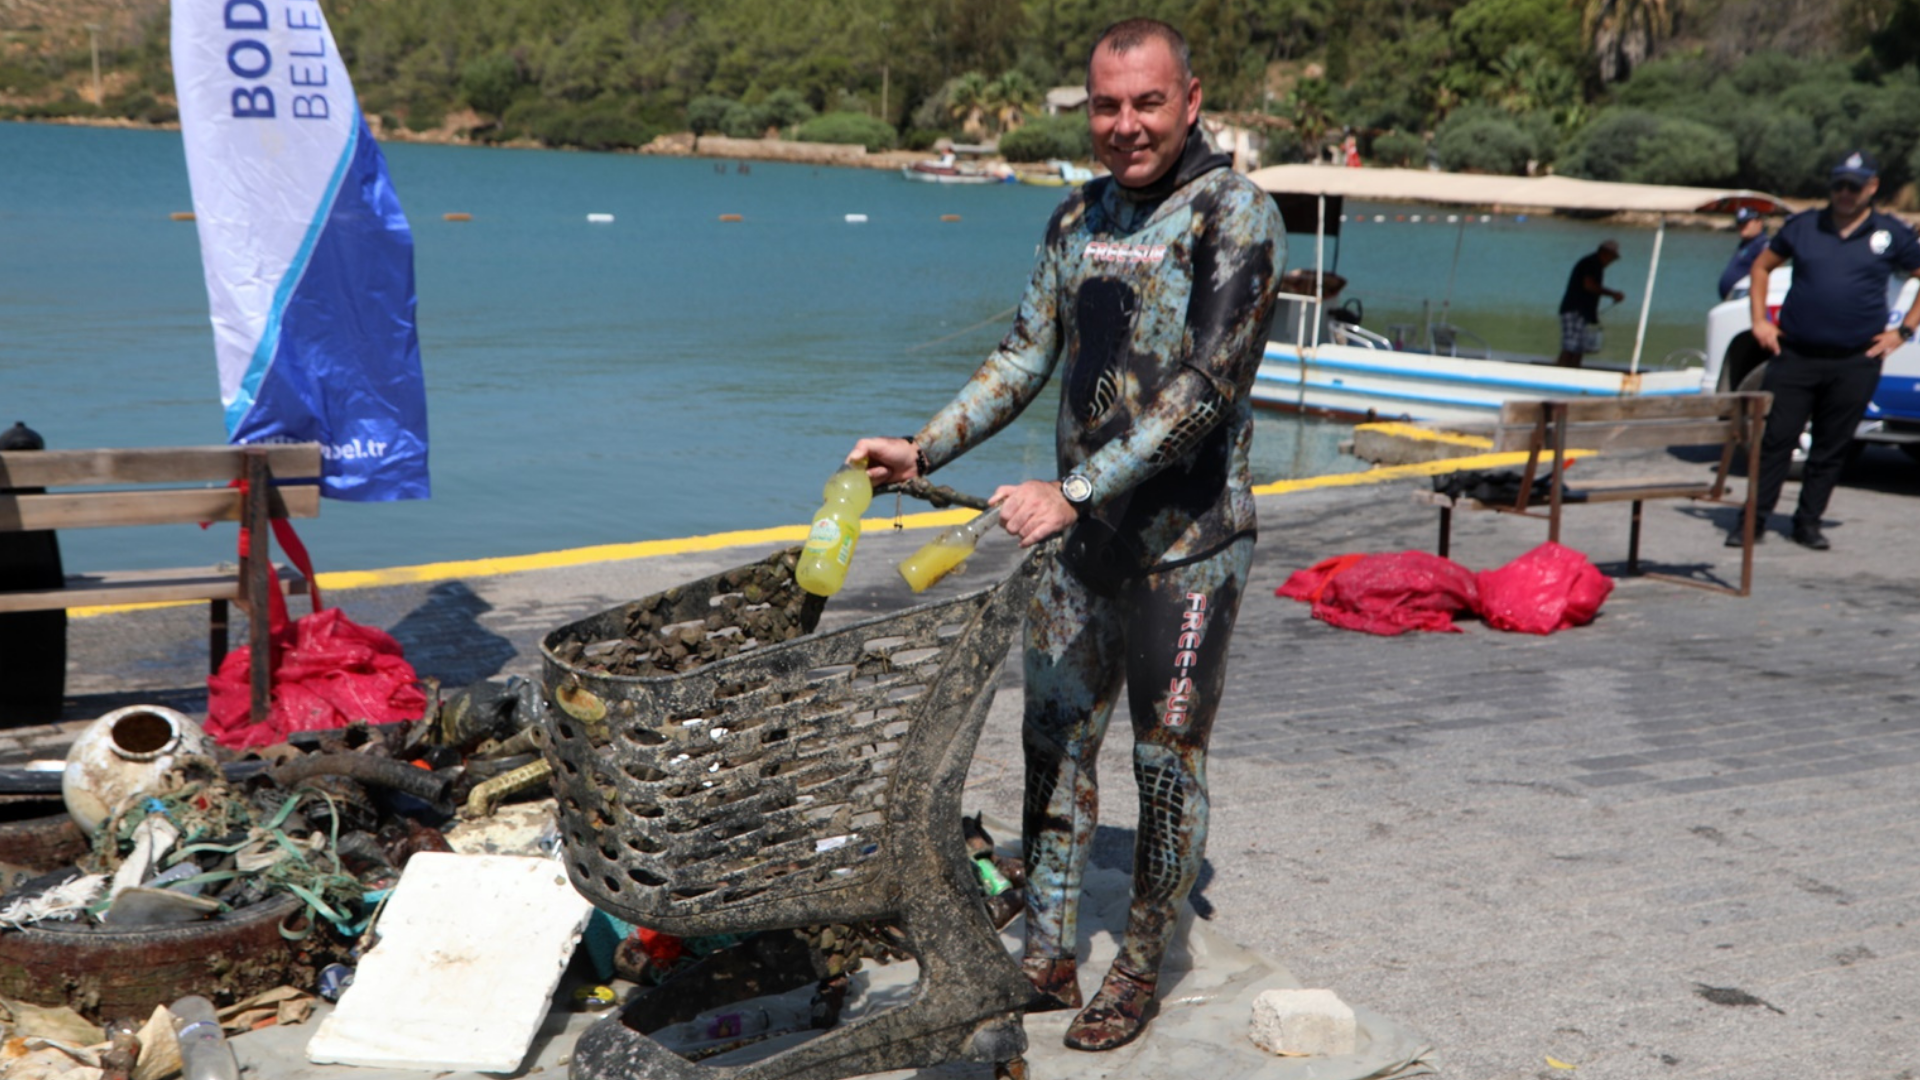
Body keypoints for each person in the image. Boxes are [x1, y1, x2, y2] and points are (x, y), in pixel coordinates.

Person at [848, 17, 1283, 1053]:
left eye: (1146, 102)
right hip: (1080, 549)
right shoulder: (1075, 220)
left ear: (1190, 98)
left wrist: (1074, 489)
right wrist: (925, 448)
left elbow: (1204, 390)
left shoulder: (1235, 214)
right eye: (1105, 105)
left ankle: (1137, 963)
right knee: (1053, 746)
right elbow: (1021, 357)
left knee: (1166, 763)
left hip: (1191, 546)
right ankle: (1046, 950)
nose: (1125, 125)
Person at [1736, 150, 1920, 551]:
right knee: (1776, 441)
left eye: (1854, 186)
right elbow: (1760, 267)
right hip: (1796, 355)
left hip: (1856, 360)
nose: (1845, 193)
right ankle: (1754, 520)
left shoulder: (1891, 233)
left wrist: (1902, 332)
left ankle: (1808, 523)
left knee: (1831, 446)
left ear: (1872, 187)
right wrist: (1759, 322)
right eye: (1839, 184)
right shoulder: (1803, 226)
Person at [1555, 238, 1626, 367]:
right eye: (1612, 258)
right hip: (1575, 310)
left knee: (1578, 347)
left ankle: (1573, 372)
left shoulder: (1595, 265)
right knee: (1571, 347)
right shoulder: (1591, 263)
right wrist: (1612, 294)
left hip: (1581, 312)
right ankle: (1562, 372)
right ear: (1605, 253)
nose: (1611, 262)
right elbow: (1589, 285)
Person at [1718, 207, 1770, 301]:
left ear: (1759, 222)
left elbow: (1772, 270)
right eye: (1740, 223)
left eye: (1746, 223)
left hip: (1746, 299)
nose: (1742, 227)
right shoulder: (1746, 244)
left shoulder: (1762, 244)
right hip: (1734, 299)